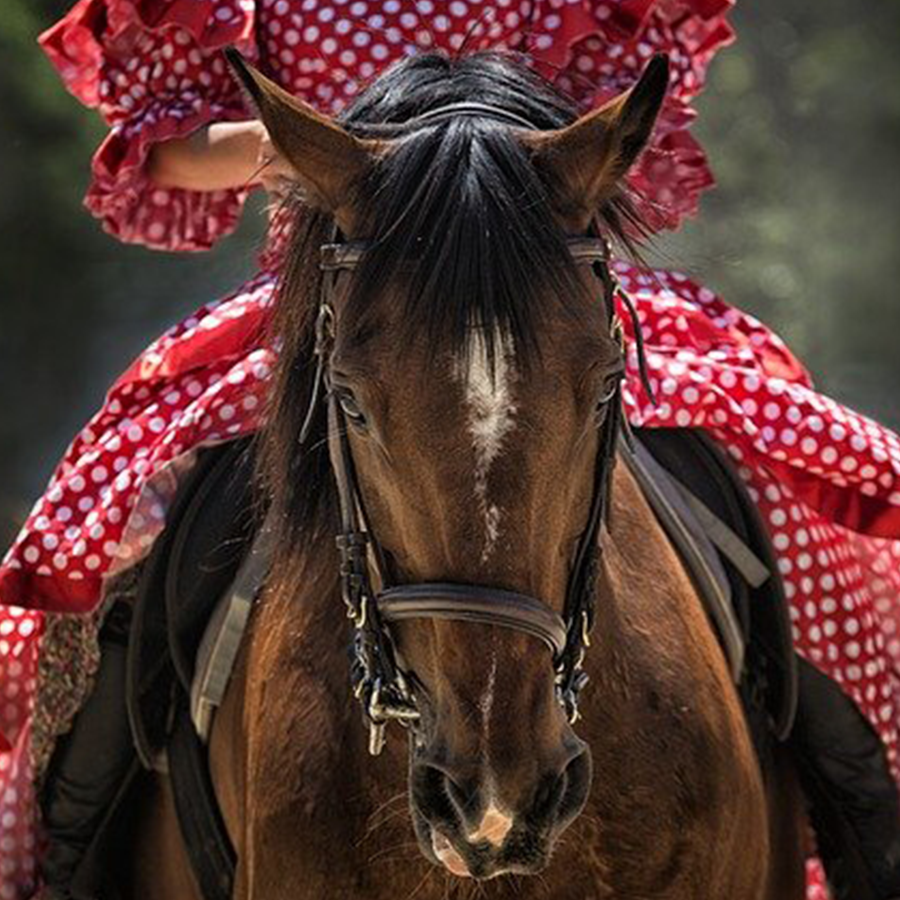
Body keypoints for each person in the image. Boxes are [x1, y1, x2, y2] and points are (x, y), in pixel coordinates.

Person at [1, 1, 899, 898]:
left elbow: (623, 115)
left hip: (530, 276)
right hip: (347, 290)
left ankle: (863, 813)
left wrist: (509, 163)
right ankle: (77, 846)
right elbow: (163, 149)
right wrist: (285, 150)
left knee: (780, 486)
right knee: (129, 530)